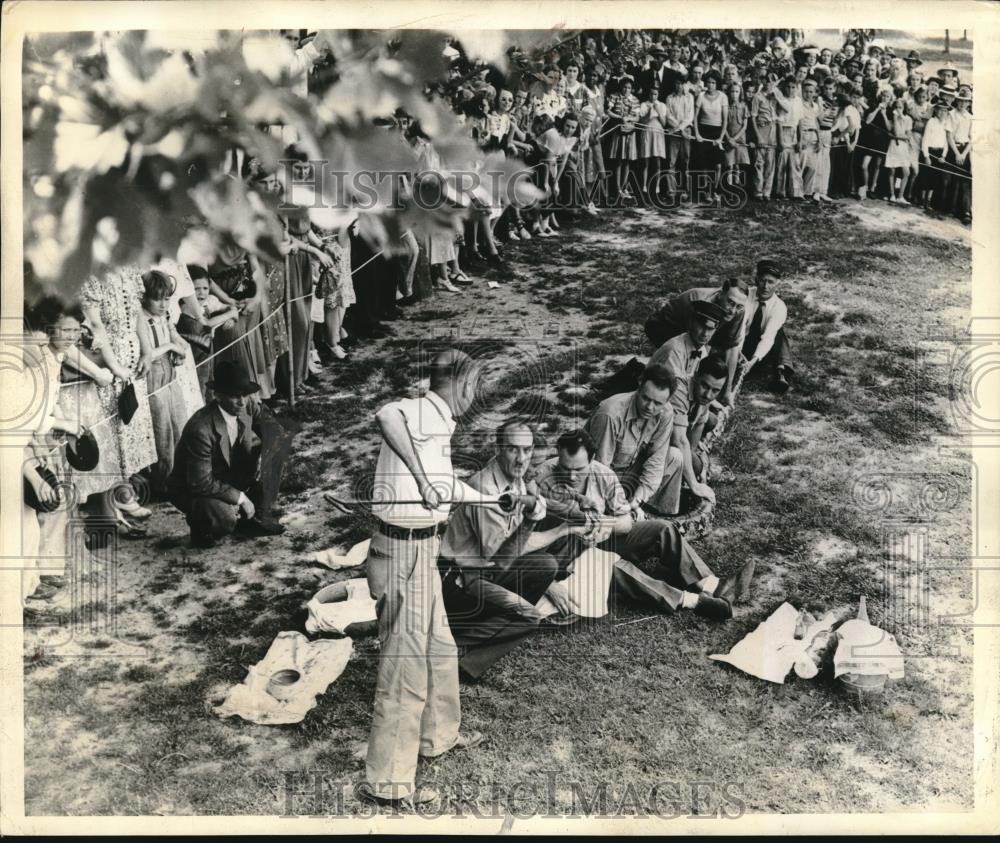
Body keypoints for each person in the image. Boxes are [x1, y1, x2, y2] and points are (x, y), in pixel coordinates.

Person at [358, 350, 486, 807]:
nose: (477, 394)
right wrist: (419, 476)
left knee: (440, 648)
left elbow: (444, 481)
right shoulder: (414, 410)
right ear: (462, 383)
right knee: (405, 666)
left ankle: (438, 737)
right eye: (475, 385)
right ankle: (387, 783)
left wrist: (493, 498)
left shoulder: (439, 424)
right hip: (401, 551)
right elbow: (384, 414)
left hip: (423, 549)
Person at [533, 430, 753, 621]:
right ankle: (692, 601)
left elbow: (626, 521)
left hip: (602, 537)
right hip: (565, 550)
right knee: (615, 566)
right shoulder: (541, 478)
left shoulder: (603, 475)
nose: (571, 476)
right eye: (564, 467)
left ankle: (713, 585)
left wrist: (605, 527)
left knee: (663, 529)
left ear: (592, 460)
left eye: (579, 469)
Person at [440, 421, 572, 679]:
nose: (521, 459)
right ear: (499, 448)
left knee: (546, 565)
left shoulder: (514, 479)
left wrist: (567, 528)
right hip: (459, 583)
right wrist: (553, 529)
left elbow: (514, 541)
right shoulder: (486, 489)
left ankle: (489, 624)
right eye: (513, 449)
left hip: (484, 572)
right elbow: (501, 558)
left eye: (527, 450)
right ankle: (457, 651)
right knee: (529, 616)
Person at [167, 361, 292, 548]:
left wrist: (263, 458)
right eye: (235, 396)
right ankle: (202, 527)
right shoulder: (201, 428)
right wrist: (240, 498)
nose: (242, 401)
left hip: (229, 472)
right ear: (217, 395)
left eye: (244, 394)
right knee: (225, 517)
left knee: (276, 456)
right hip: (194, 487)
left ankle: (252, 521)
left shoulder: (247, 405)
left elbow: (275, 431)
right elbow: (200, 483)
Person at [586, 364, 684, 517]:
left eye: (658, 403)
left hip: (629, 473)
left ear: (668, 400)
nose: (650, 407)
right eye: (646, 398)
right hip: (599, 478)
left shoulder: (666, 412)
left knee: (674, 457)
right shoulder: (610, 414)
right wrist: (620, 505)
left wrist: (636, 500)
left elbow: (656, 461)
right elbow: (599, 470)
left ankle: (658, 515)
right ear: (639, 386)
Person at [644, 278, 748, 406]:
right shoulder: (701, 303)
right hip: (665, 325)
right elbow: (698, 342)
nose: (733, 310)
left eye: (738, 306)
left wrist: (726, 393)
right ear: (720, 294)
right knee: (679, 362)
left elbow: (732, 348)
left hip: (698, 331)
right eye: (730, 302)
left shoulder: (738, 310)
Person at [140, 269, 191, 496]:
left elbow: (175, 336)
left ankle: (182, 476)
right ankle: (163, 483)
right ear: (145, 297)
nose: (163, 304)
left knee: (180, 423)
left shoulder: (165, 315)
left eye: (167, 298)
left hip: (170, 374)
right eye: (157, 299)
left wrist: (181, 347)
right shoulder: (141, 317)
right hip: (154, 377)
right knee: (162, 431)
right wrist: (171, 347)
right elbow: (148, 354)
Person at [741, 258, 793, 394]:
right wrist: (737, 353)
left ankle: (780, 372)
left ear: (777, 284)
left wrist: (753, 360)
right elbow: (739, 326)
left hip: (763, 348)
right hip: (741, 340)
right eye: (763, 280)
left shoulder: (779, 307)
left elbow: (768, 337)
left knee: (778, 332)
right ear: (757, 279)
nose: (765, 286)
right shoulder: (746, 295)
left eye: (771, 282)